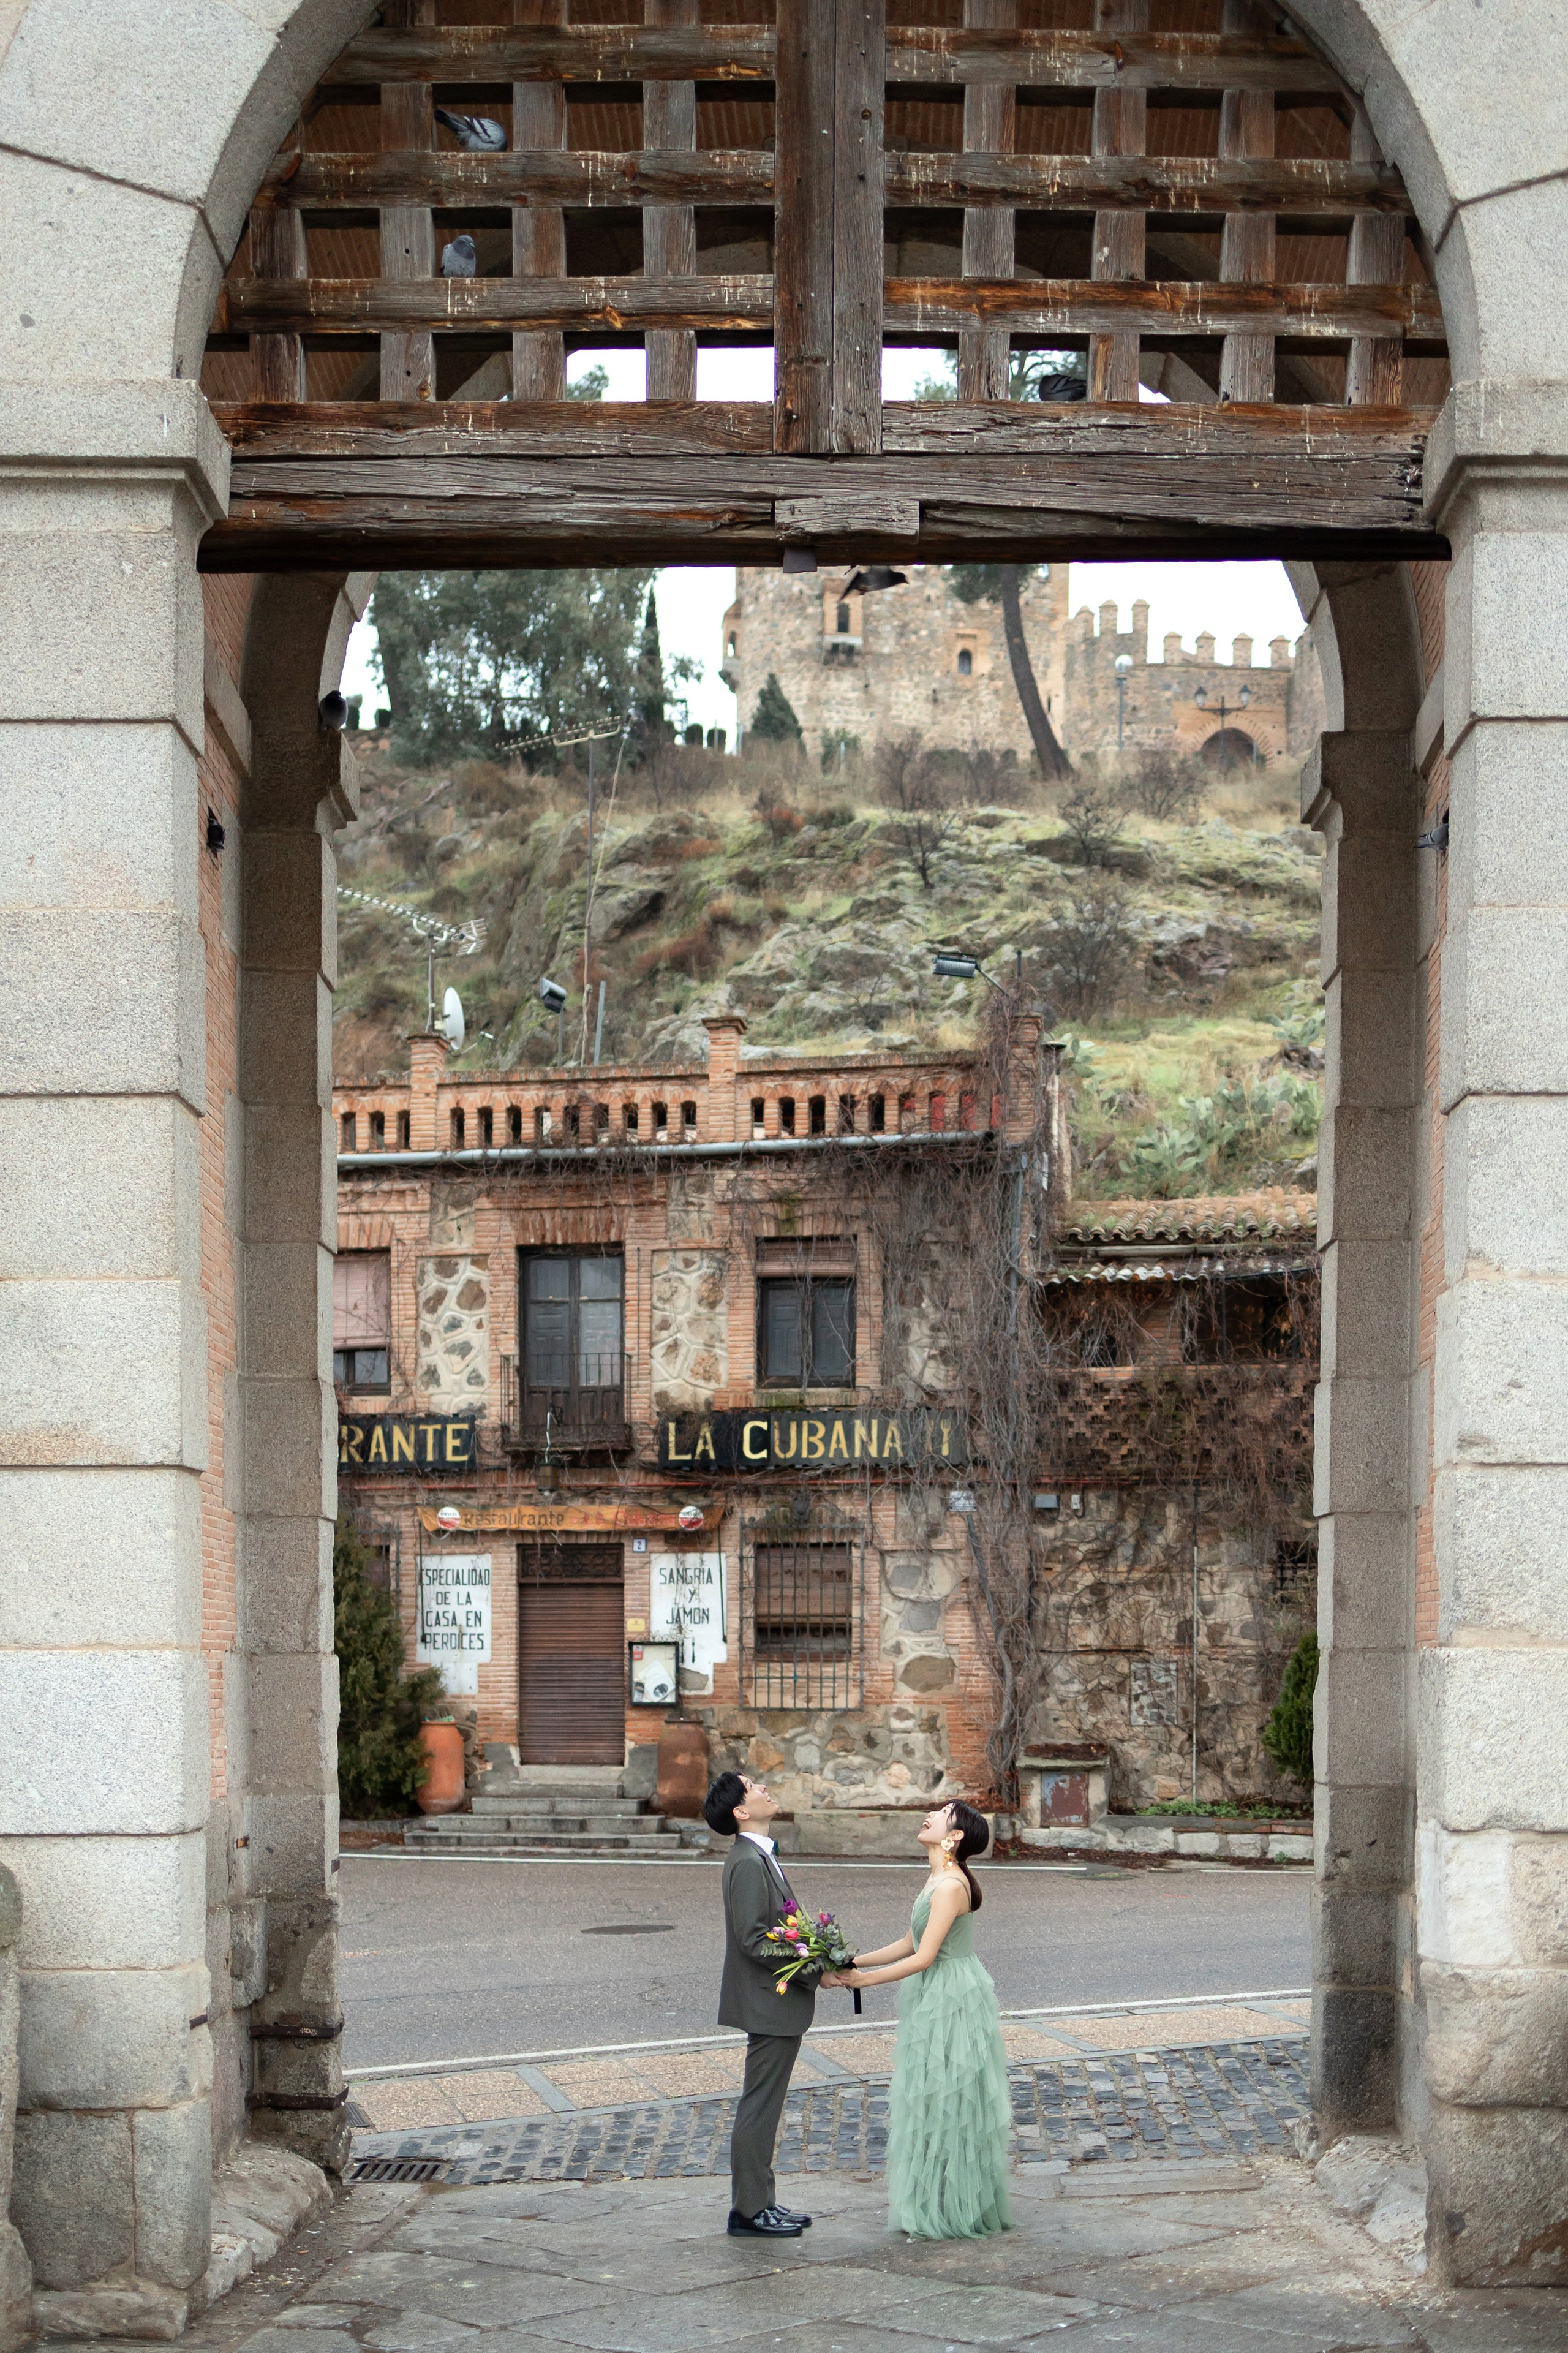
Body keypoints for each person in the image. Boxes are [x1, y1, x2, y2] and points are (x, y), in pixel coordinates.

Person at [824, 1799, 1011, 2240]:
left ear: (956, 1834)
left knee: (951, 2097)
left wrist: (862, 1981)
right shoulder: (937, 1877)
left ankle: (953, 2203)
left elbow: (925, 1956)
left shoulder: (950, 1884)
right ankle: (943, 2197)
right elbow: (910, 1941)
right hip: (937, 1989)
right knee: (931, 2095)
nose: (931, 1814)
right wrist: (849, 1958)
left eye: (943, 1813)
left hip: (952, 1994)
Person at [704, 1769, 818, 2238]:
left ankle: (761, 2202)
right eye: (754, 1787)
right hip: (767, 2003)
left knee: (763, 2105)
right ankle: (750, 2210)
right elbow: (754, 1939)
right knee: (760, 2107)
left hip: (772, 2004)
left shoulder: (759, 1855)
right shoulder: (749, 1862)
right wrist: (813, 1966)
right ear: (741, 1810)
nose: (764, 1787)